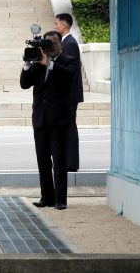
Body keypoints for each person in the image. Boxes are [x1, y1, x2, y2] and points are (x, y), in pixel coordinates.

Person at [20, 31, 76, 210]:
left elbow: (69, 78)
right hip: (40, 119)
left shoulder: (68, 60)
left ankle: (60, 200)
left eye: (51, 44)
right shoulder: (39, 62)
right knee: (43, 161)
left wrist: (49, 64)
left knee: (59, 161)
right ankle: (47, 197)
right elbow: (24, 84)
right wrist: (27, 65)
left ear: (61, 44)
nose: (48, 47)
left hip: (59, 120)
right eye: (46, 44)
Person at [53, 13, 83, 172]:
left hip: (69, 94)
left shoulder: (70, 43)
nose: (55, 26)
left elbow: (70, 70)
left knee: (70, 127)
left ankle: (71, 163)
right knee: (67, 127)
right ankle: (66, 161)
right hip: (67, 94)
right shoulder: (66, 42)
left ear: (64, 25)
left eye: (56, 23)